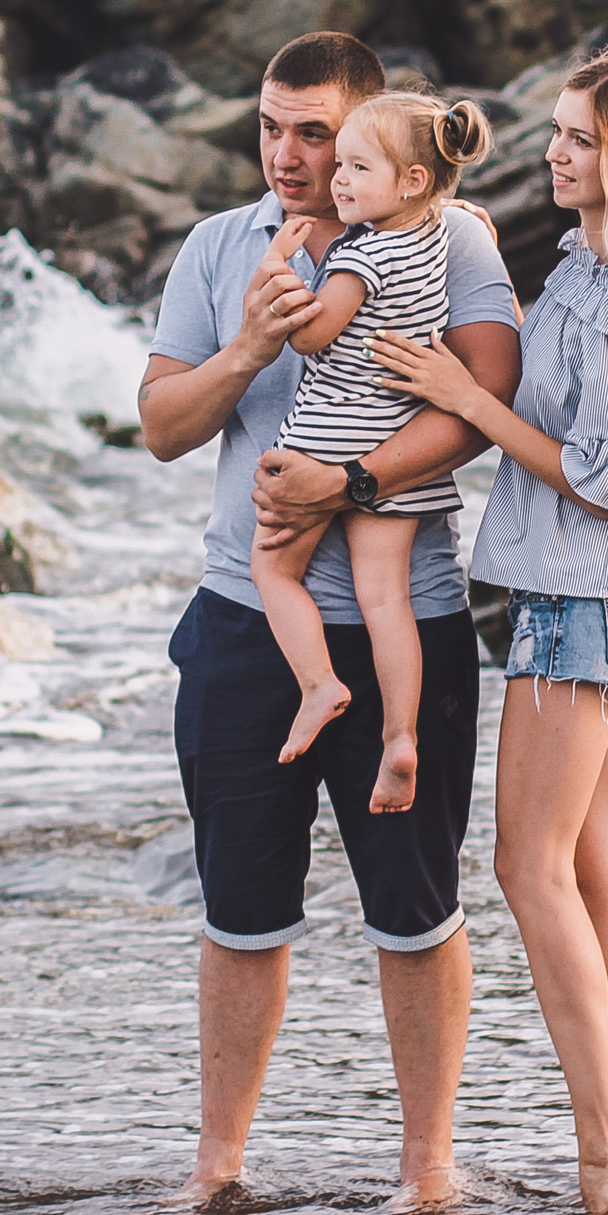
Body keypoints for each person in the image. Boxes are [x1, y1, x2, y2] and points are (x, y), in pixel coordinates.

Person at [138, 31, 522, 1209]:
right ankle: (218, 1167)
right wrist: (251, 342)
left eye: (317, 133)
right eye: (270, 126)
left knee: (415, 906)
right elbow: (160, 423)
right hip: (245, 619)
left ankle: (427, 1168)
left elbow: (485, 396)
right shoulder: (219, 248)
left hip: (410, 613)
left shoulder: (449, 235)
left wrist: (350, 484)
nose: (290, 155)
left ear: (380, 138)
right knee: (240, 908)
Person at [371, 43, 608, 1214]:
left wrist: (469, 402)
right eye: (559, 132)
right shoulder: (590, 266)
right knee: (595, 882)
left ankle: (604, 1143)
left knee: (528, 869)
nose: (555, 152)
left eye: (578, 138)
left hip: (581, 602)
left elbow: (603, 474)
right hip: (601, 602)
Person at [252, 93, 495, 815]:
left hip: (331, 431)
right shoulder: (441, 234)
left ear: (413, 181)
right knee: (387, 598)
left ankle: (319, 683)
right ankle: (399, 737)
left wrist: (279, 263)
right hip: (400, 438)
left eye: (358, 167)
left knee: (271, 567)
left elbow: (309, 335)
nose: (338, 181)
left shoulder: (363, 253)